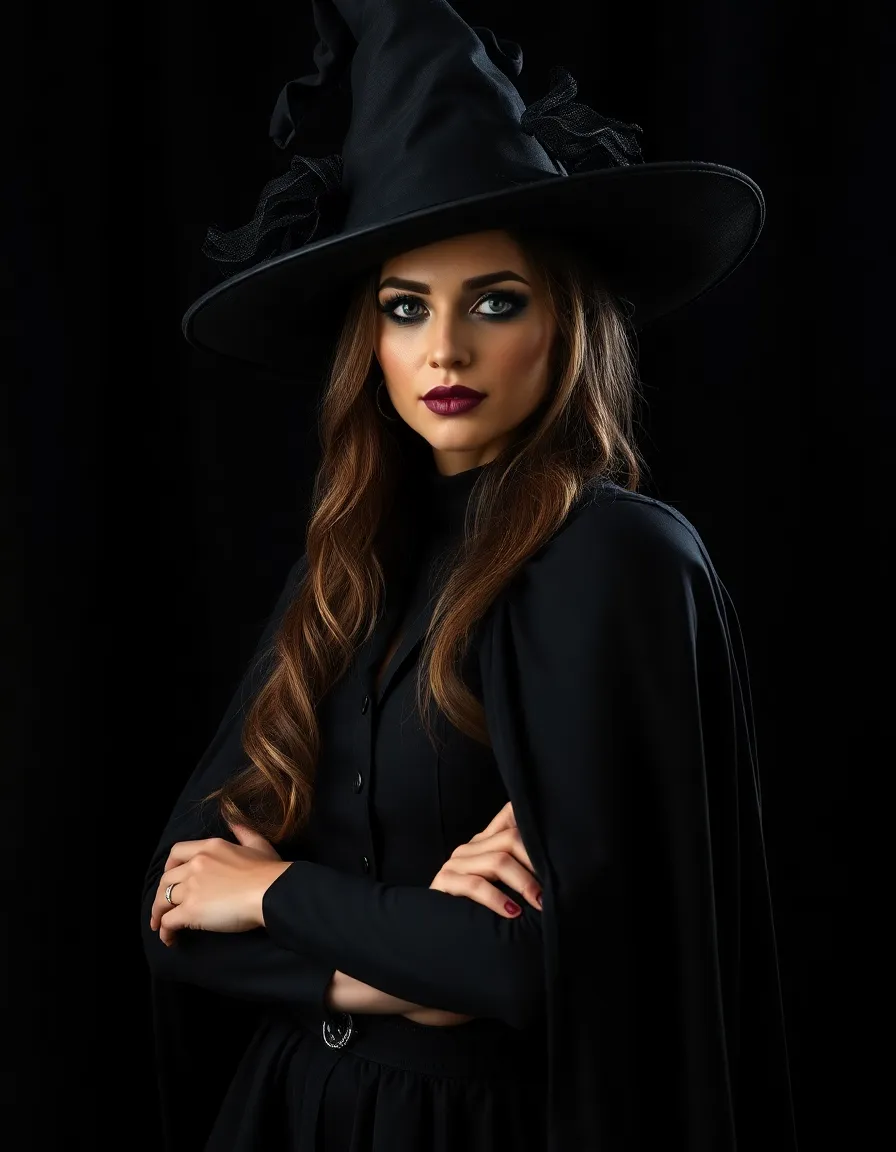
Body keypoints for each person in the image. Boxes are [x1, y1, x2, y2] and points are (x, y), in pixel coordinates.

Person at [141, 2, 800, 1150]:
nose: (443, 350)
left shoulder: (617, 561)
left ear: (565, 326)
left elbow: (534, 971)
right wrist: (394, 975)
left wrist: (277, 895)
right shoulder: (344, 570)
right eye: (406, 309)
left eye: (494, 302)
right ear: (371, 342)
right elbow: (171, 908)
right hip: (294, 1116)